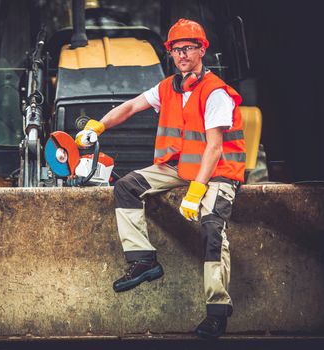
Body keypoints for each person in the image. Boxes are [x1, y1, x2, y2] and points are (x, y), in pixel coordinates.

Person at [75, 18, 245, 339]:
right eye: (175, 50)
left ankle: (217, 310)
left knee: (211, 225)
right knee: (127, 186)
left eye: (188, 49)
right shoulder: (168, 87)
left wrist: (195, 192)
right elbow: (129, 107)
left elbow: (213, 147)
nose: (181, 55)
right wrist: (98, 126)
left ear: (201, 50)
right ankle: (143, 261)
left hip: (217, 173)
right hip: (180, 168)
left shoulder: (215, 93)